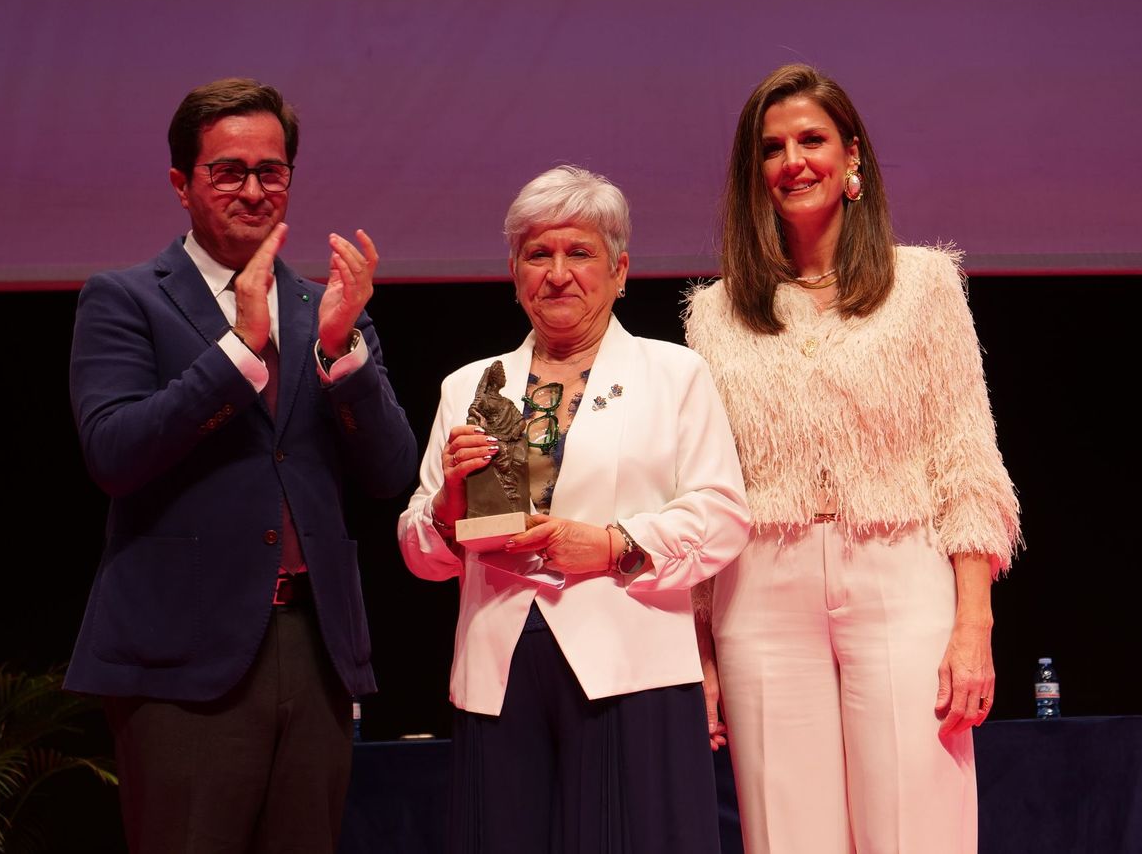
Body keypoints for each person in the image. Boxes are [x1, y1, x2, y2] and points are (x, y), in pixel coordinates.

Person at [64, 77, 417, 853]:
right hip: (182, 656)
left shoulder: (325, 307)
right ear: (181, 183)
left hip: (316, 644)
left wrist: (341, 354)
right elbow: (115, 453)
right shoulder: (125, 300)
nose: (253, 189)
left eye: (272, 170)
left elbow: (392, 474)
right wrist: (237, 351)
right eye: (228, 170)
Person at [684, 63, 1021, 854]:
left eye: (812, 139)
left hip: (898, 575)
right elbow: (707, 485)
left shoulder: (925, 285)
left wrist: (975, 622)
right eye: (772, 148)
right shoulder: (716, 313)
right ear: (754, 174)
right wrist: (699, 652)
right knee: (786, 835)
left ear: (853, 156)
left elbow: (968, 459)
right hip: (760, 591)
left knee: (919, 830)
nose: (794, 161)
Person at [397, 165, 751, 854]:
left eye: (579, 252)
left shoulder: (674, 374)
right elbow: (421, 551)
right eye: (539, 253)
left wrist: (614, 543)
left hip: (633, 661)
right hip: (499, 667)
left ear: (620, 270)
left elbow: (722, 512)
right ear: (514, 271)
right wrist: (444, 508)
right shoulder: (467, 385)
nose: (558, 272)